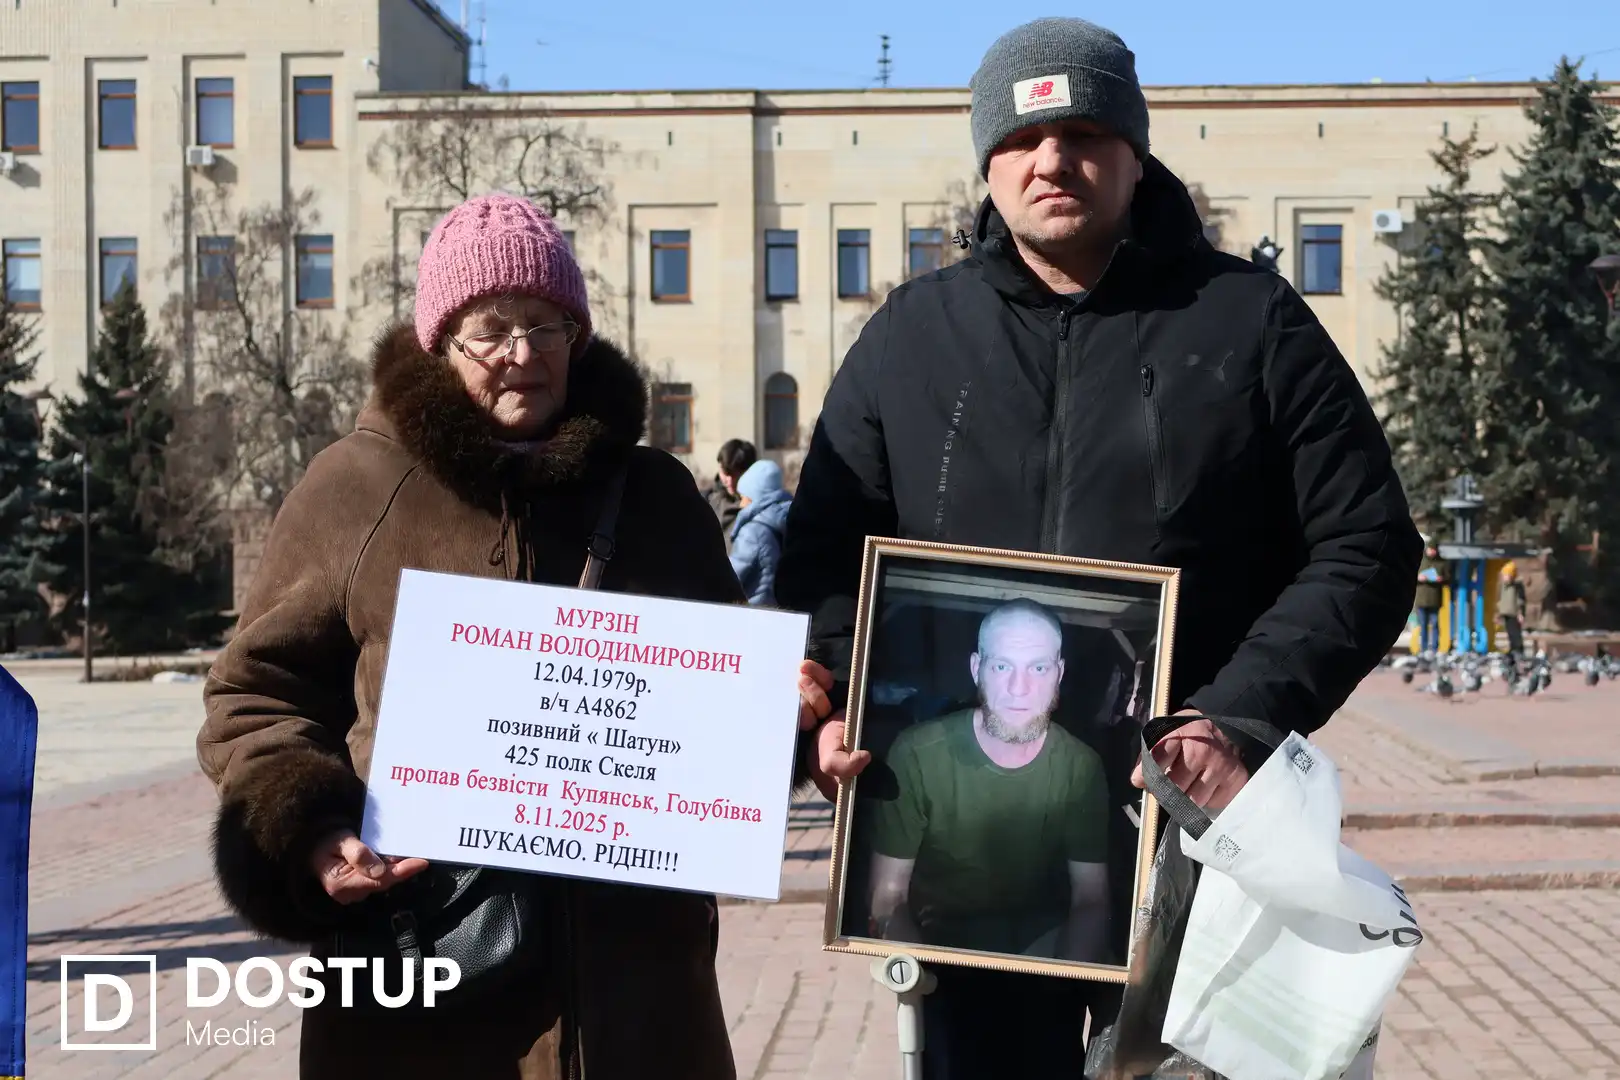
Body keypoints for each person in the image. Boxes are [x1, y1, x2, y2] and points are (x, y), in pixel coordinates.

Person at [783, 16, 1422, 1077]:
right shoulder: (909, 337)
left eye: (1083, 133)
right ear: (988, 163)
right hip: (980, 865)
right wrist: (847, 695)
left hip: (1199, 843)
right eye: (1022, 139)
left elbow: (1366, 544)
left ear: (1134, 152)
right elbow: (822, 562)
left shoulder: (1251, 323)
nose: (1052, 160)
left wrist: (1237, 715)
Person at [196, 194, 749, 1080]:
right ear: (441, 342)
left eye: (546, 325)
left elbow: (726, 703)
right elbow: (255, 695)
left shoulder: (655, 496)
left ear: (578, 336)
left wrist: (790, 714)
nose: (523, 354)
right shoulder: (355, 489)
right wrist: (311, 829)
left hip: (640, 1004)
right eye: (491, 330)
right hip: (427, 983)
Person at [866, 600, 1110, 964]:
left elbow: (1091, 899)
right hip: (938, 947)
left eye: (1038, 668)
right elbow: (887, 898)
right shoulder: (916, 754)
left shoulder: (1081, 767)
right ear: (976, 669)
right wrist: (916, 974)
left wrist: (1065, 979)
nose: (1019, 688)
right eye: (1001, 666)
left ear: (1058, 673)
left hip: (1042, 946)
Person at [728, 458, 791, 605]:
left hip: (754, 609)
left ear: (754, 498)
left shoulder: (753, 532)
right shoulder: (787, 521)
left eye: (743, 497)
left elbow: (730, 577)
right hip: (780, 607)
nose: (741, 504)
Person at [708, 438, 757, 551]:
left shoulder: (759, 507)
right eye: (725, 474)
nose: (730, 481)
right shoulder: (708, 501)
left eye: (736, 475)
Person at [1414, 543, 1449, 654]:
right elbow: (1409, 576)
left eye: (1434, 549)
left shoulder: (1441, 563)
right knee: (1423, 625)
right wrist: (1418, 578)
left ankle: (1434, 648)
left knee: (1435, 624)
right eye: (1431, 549)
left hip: (1435, 599)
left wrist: (1441, 579)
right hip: (1421, 599)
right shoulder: (1419, 560)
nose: (1432, 551)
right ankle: (1423, 649)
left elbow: (1448, 578)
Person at [1499, 560, 1527, 657]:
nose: (1504, 577)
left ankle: (1518, 649)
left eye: (1506, 575)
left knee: (1515, 632)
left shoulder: (1517, 586)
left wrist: (1520, 613)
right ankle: (1512, 648)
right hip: (1506, 612)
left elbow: (1520, 600)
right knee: (1510, 632)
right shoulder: (1504, 586)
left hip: (1514, 613)